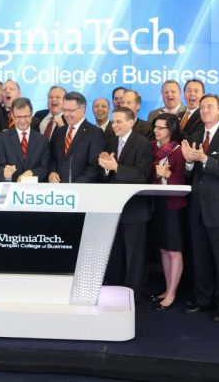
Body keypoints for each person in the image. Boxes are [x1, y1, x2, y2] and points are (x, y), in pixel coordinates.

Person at [181, 94, 219, 322]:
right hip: (197, 206)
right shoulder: (194, 136)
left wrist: (205, 160)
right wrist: (188, 161)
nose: (204, 110)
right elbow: (189, 173)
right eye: (202, 106)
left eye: (210, 106)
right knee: (200, 256)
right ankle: (203, 299)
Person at [100, 107, 153, 299]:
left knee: (134, 256)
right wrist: (106, 169)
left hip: (135, 208)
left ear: (131, 122)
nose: (115, 125)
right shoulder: (110, 142)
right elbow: (106, 175)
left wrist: (116, 167)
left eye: (119, 121)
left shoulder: (143, 143)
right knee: (115, 254)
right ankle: (114, 292)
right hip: (114, 208)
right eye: (113, 122)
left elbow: (142, 175)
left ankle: (133, 294)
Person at [149, 113, 186, 311]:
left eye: (160, 128)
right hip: (159, 204)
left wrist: (169, 175)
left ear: (170, 130)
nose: (155, 131)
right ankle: (166, 287)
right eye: (155, 127)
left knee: (174, 250)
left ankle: (172, 292)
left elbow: (184, 180)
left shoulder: (179, 151)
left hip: (174, 205)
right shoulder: (153, 149)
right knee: (163, 249)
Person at [48, 91, 105, 184]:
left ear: (82, 110)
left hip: (81, 191)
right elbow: (53, 158)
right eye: (64, 110)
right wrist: (52, 172)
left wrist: (76, 185)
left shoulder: (95, 133)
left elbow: (94, 167)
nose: (66, 114)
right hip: (58, 191)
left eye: (70, 110)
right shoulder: (59, 131)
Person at [0, 98, 49, 182]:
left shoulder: (42, 140)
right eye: (18, 117)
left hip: (34, 192)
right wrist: (5, 173)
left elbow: (45, 168)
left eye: (25, 116)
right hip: (10, 189)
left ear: (31, 115)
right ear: (12, 115)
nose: (22, 121)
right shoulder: (1, 138)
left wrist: (31, 173)